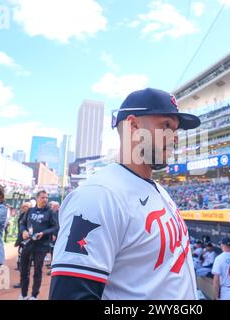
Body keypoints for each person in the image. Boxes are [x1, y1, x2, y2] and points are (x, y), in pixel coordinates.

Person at [49, 88, 201, 300]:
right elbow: (70, 296)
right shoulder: (98, 196)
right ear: (133, 125)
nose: (174, 138)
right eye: (166, 126)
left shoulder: (158, 191)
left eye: (176, 130)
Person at [19, 190, 58, 300]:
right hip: (27, 244)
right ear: (37, 198)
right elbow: (22, 223)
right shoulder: (30, 210)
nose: (45, 199)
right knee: (23, 270)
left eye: (46, 197)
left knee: (37, 270)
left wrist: (44, 233)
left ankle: (34, 295)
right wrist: (23, 232)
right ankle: (23, 294)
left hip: (41, 245)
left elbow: (55, 227)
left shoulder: (50, 212)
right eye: (42, 197)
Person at [13, 202, 32, 289]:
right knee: (21, 262)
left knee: (26, 264)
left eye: (26, 207)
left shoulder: (31, 217)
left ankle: (24, 283)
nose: (24, 208)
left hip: (29, 243)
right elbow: (20, 230)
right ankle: (22, 282)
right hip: (22, 242)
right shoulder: (21, 216)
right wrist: (18, 240)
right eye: (23, 207)